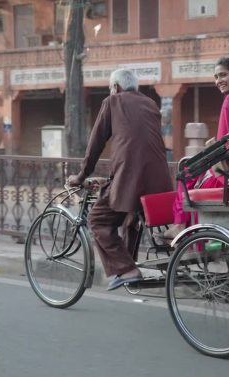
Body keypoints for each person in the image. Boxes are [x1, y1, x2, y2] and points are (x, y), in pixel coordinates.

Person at [66, 69, 173, 290]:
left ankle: (128, 269)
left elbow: (96, 143)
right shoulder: (150, 104)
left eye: (110, 88)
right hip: (159, 181)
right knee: (129, 216)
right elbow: (137, 143)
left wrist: (81, 175)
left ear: (115, 87)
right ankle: (129, 266)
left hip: (130, 178)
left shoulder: (112, 101)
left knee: (98, 220)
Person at [160, 56, 229, 239]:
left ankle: (180, 224)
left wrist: (204, 161)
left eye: (223, 75)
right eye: (215, 77)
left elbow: (222, 144)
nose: (218, 81)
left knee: (187, 172)